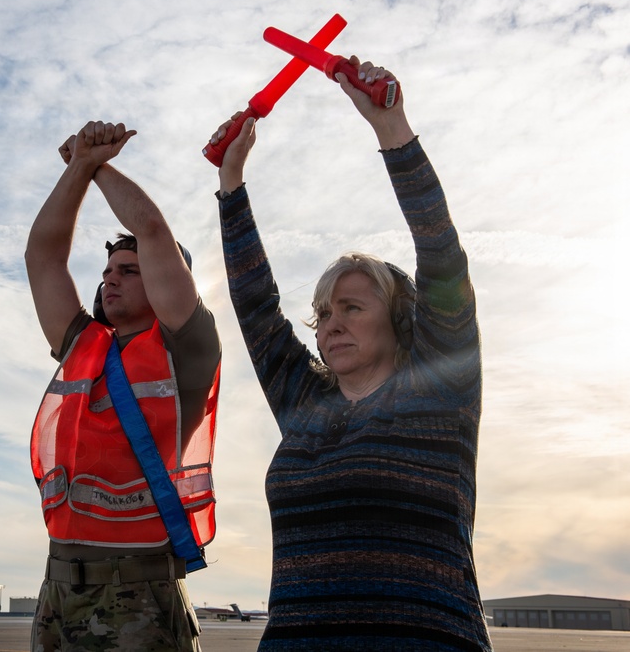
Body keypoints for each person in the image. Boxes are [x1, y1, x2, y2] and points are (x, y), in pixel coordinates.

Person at [209, 57, 493, 651]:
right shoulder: (304, 404)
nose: (331, 324)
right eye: (324, 314)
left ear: (397, 319)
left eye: (352, 308)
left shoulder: (439, 390)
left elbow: (442, 258)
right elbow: (256, 305)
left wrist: (391, 127)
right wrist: (231, 182)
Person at [26, 120, 221, 651]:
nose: (110, 277)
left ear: (166, 280)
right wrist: (76, 170)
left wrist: (99, 165)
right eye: (108, 268)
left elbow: (154, 233)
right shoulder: (83, 346)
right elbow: (43, 257)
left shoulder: (188, 347)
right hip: (59, 591)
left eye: (129, 270)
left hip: (141, 593)